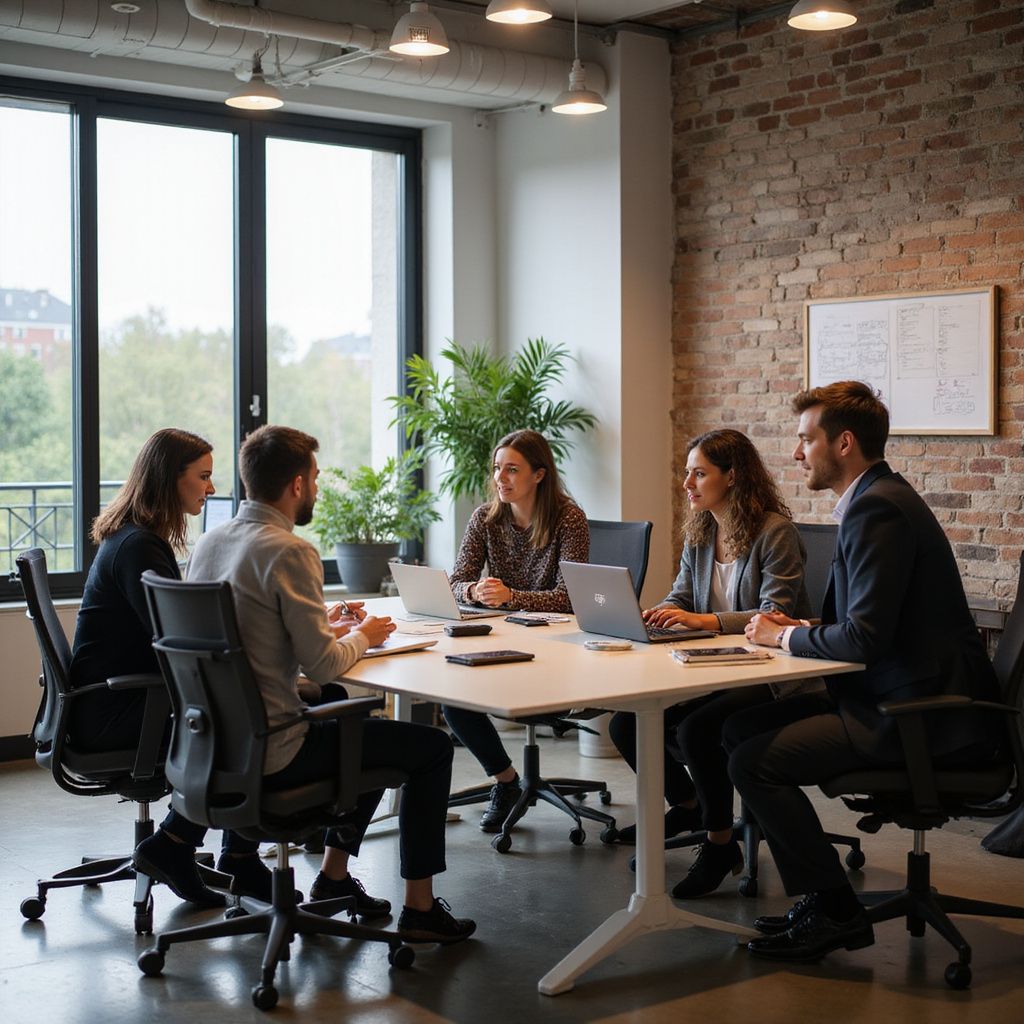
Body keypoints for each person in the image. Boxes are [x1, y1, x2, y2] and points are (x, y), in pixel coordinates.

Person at [730, 380, 999, 962]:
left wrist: (787, 635)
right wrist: (801, 630)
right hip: (891, 692)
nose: (797, 453)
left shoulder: (877, 508)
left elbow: (865, 638)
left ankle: (836, 912)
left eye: (806, 440)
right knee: (735, 727)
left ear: (844, 443)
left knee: (753, 761)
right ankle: (822, 899)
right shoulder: (877, 498)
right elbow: (866, 624)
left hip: (914, 714)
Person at [181, 424, 475, 943]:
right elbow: (322, 667)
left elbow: (250, 635)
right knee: (428, 749)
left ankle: (334, 879)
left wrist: (329, 628)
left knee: (364, 730)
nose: (316, 489)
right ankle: (420, 908)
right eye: (314, 478)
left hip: (216, 747)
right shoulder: (289, 550)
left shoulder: (211, 542)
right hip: (277, 753)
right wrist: (363, 633)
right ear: (296, 485)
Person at [606, 429, 812, 899]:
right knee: (627, 724)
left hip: (773, 673)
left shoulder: (774, 532)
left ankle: (720, 846)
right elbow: (682, 594)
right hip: (713, 666)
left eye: (699, 473)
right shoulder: (702, 530)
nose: (688, 484)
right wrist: (658, 613)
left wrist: (703, 618)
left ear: (732, 477)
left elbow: (774, 612)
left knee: (697, 729)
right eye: (687, 473)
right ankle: (688, 803)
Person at [444, 429, 589, 832]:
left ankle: (509, 784)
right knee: (451, 696)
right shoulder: (486, 518)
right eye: (496, 469)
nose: (500, 478)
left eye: (512, 469)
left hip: (555, 650)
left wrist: (511, 596)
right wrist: (474, 589)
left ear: (538, 475)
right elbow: (456, 581)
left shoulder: (567, 518)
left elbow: (568, 598)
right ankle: (506, 781)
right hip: (502, 641)